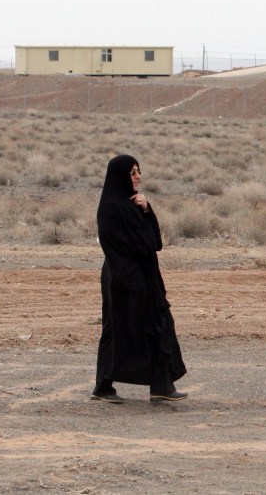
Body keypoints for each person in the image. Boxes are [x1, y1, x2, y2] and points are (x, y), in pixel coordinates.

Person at [92, 154, 187, 404]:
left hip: (143, 276)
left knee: (158, 325)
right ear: (121, 175)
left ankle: (161, 385)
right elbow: (125, 247)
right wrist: (134, 284)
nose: (138, 177)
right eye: (133, 172)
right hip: (122, 277)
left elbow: (155, 243)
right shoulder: (111, 208)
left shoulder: (134, 205)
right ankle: (102, 387)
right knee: (116, 330)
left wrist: (147, 210)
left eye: (138, 171)